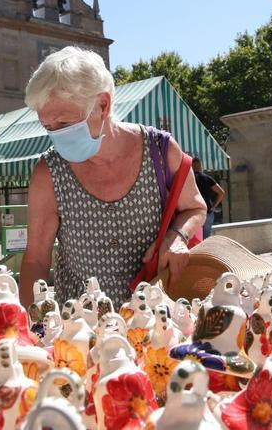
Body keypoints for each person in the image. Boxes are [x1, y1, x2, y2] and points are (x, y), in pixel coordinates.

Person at [18, 46, 206, 309]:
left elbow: (196, 207)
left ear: (102, 104)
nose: (56, 135)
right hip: (83, 331)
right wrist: (28, 327)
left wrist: (177, 237)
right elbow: (36, 259)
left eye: (64, 124)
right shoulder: (49, 172)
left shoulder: (160, 150)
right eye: (47, 127)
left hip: (160, 320)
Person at [193, 157, 225, 239]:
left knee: (196, 242)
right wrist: (214, 206)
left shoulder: (189, 179)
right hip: (208, 212)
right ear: (200, 166)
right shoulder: (207, 178)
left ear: (191, 166)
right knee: (206, 240)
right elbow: (221, 193)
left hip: (194, 213)